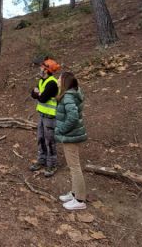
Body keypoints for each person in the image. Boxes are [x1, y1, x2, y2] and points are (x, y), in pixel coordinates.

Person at [55, 71, 88, 210]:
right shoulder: (72, 93)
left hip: (71, 136)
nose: (57, 80)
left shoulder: (68, 97)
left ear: (64, 81)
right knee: (73, 166)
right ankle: (74, 193)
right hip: (72, 135)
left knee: (75, 167)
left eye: (59, 78)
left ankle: (80, 200)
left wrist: (61, 129)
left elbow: (73, 117)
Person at [30, 57, 61, 177]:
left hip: (50, 117)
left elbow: (42, 98)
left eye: (42, 67)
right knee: (41, 138)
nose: (40, 68)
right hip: (42, 115)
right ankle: (42, 160)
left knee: (50, 141)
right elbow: (33, 93)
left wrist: (38, 93)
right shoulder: (42, 80)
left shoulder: (52, 83)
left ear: (47, 70)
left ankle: (52, 164)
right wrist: (38, 93)